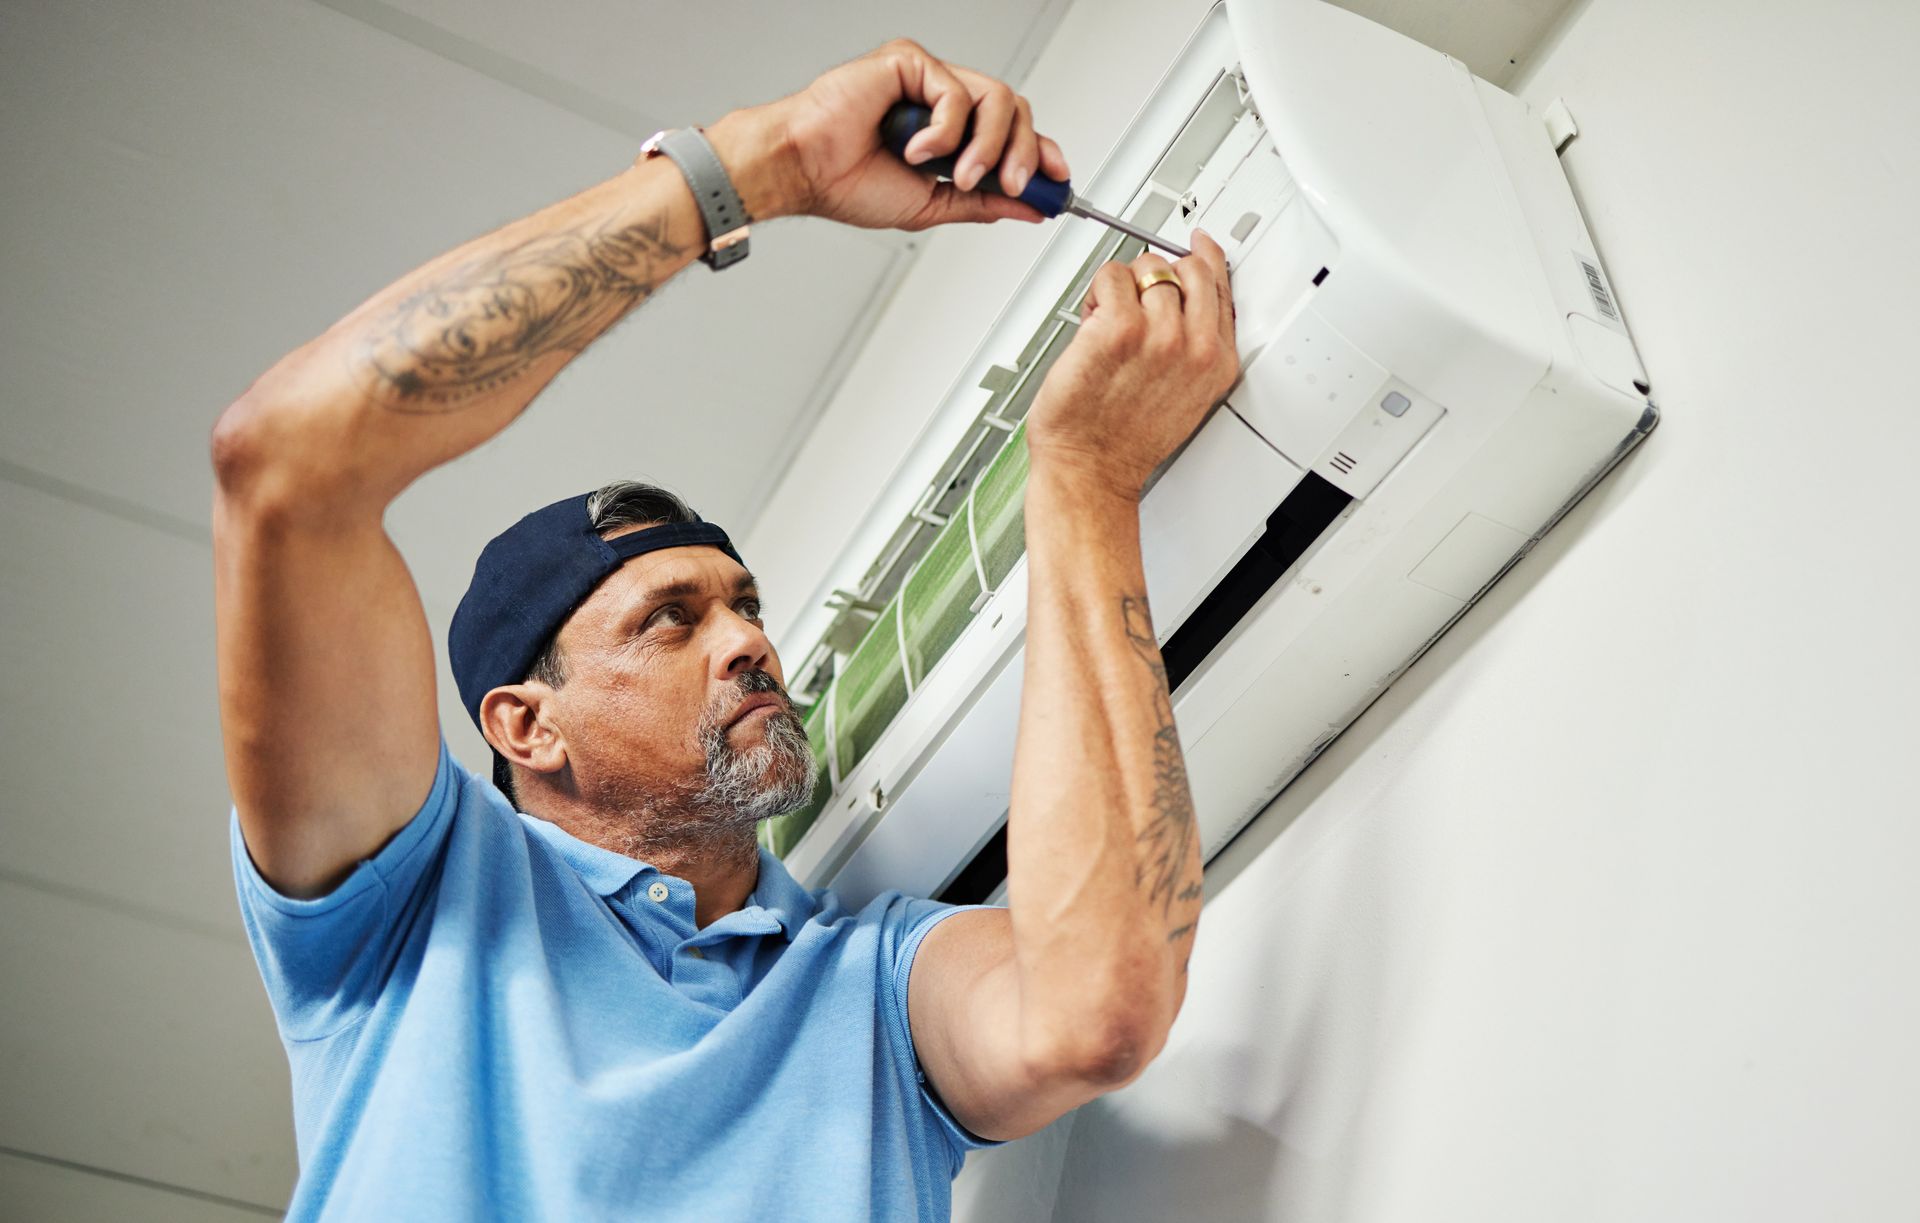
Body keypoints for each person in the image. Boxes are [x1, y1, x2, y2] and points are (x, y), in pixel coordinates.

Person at [211, 37, 1239, 1223]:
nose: (748, 640)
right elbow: (286, 459)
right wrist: (770, 161)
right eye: (669, 618)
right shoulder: (413, 910)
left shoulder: (869, 989)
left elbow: (1092, 1010)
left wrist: (1084, 481)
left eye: (744, 601)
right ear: (525, 724)